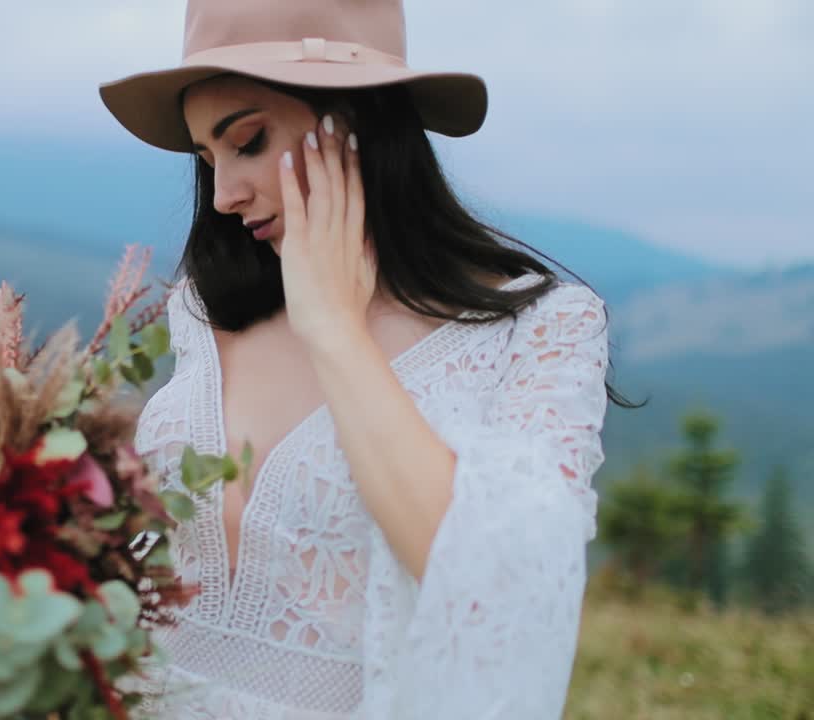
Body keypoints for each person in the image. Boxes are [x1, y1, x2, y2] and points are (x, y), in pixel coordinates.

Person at [100, 1, 640, 717]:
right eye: (209, 159)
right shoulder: (206, 312)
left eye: (249, 142)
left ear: (351, 120)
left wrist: (334, 330)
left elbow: (493, 594)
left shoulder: (541, 333)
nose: (225, 195)